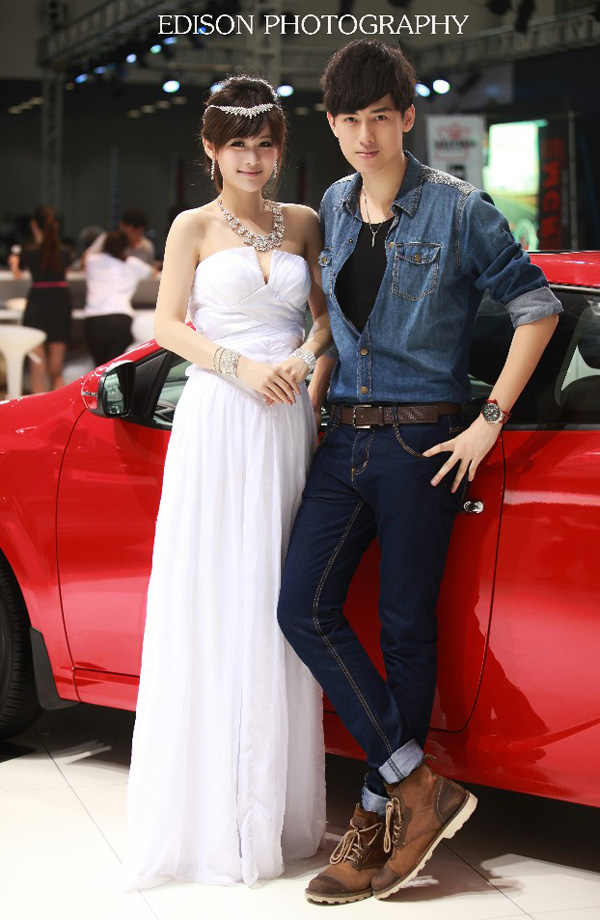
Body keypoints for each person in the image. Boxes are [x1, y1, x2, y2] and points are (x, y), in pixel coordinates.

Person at [277, 40, 562, 906]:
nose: (365, 135)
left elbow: (537, 307)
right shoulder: (333, 204)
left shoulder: (460, 210)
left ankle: (375, 819)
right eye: (348, 120)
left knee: (405, 629)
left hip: (423, 446)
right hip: (343, 440)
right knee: (301, 607)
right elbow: (337, 324)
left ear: (407, 116)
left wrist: (488, 420)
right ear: (332, 126)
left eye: (380, 117)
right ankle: (416, 783)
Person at [121, 74, 332, 890]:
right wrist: (238, 366)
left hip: (285, 424)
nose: (252, 158)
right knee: (217, 595)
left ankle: (272, 810)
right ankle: (213, 815)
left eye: (265, 144)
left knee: (276, 594)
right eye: (237, 144)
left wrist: (303, 362)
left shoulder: (304, 222)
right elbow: (167, 325)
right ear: (211, 150)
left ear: (280, 150)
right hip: (219, 417)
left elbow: (326, 320)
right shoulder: (192, 226)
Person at [8, 205, 73, 393]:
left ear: (34, 225)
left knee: (37, 365)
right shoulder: (65, 251)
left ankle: (39, 406)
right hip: (60, 301)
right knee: (56, 368)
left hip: (38, 301)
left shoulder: (28, 250)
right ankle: (58, 406)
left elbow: (17, 274)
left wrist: (14, 262)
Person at [83, 230, 157, 366]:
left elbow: (87, 255)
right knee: (115, 369)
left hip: (94, 320)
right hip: (121, 318)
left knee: (99, 369)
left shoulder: (92, 261)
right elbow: (152, 273)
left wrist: (103, 237)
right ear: (126, 246)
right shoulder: (132, 263)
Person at [83, 208, 155, 265]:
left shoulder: (146, 246)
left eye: (139, 233)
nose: (134, 237)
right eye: (132, 232)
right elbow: (85, 260)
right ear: (122, 225)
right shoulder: (108, 239)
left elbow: (150, 270)